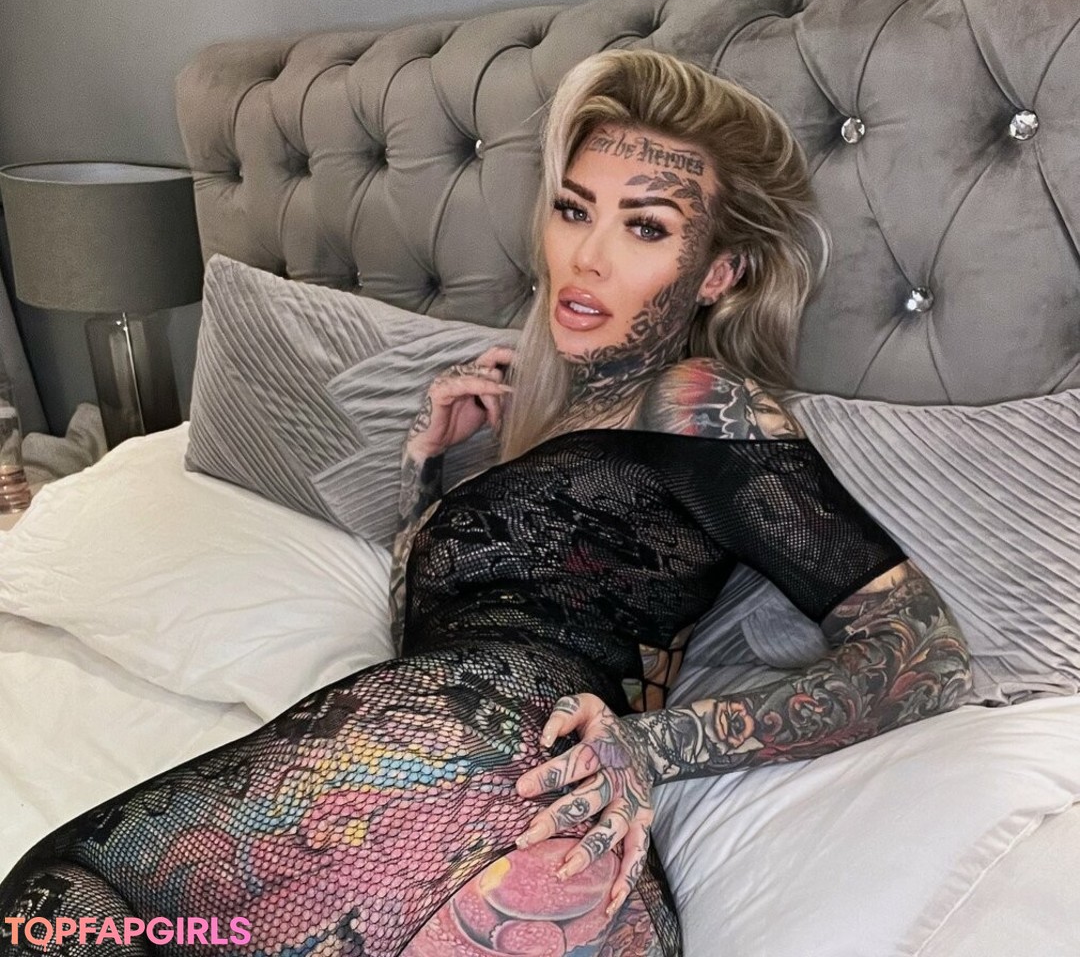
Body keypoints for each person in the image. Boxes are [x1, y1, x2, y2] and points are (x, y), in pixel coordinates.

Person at [0, 50, 972, 957]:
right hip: (464, 787)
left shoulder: (697, 401)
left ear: (716, 272)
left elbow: (926, 653)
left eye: (645, 227)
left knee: (55, 905)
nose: (588, 256)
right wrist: (424, 473)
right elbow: (421, 647)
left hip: (502, 770)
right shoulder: (536, 434)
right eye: (573, 209)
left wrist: (655, 744)